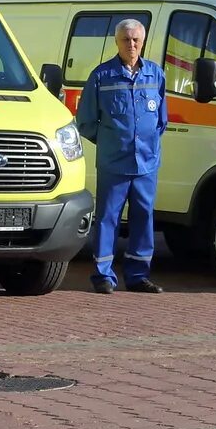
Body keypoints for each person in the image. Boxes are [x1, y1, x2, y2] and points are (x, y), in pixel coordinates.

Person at [74, 17, 167, 294]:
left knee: (143, 216)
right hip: (114, 163)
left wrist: (146, 145)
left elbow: (161, 121)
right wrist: (111, 143)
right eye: (126, 40)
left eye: (136, 40)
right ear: (117, 42)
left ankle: (138, 275)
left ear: (143, 41)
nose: (131, 45)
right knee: (107, 218)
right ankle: (103, 275)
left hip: (146, 164)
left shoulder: (155, 75)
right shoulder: (101, 76)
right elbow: (86, 121)